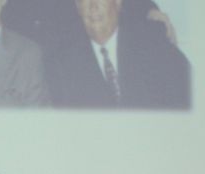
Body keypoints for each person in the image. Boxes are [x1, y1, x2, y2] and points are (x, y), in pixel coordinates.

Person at [45, 0, 189, 109]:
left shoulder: (154, 46)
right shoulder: (63, 68)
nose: (93, 6)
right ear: (77, 6)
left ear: (118, 2)